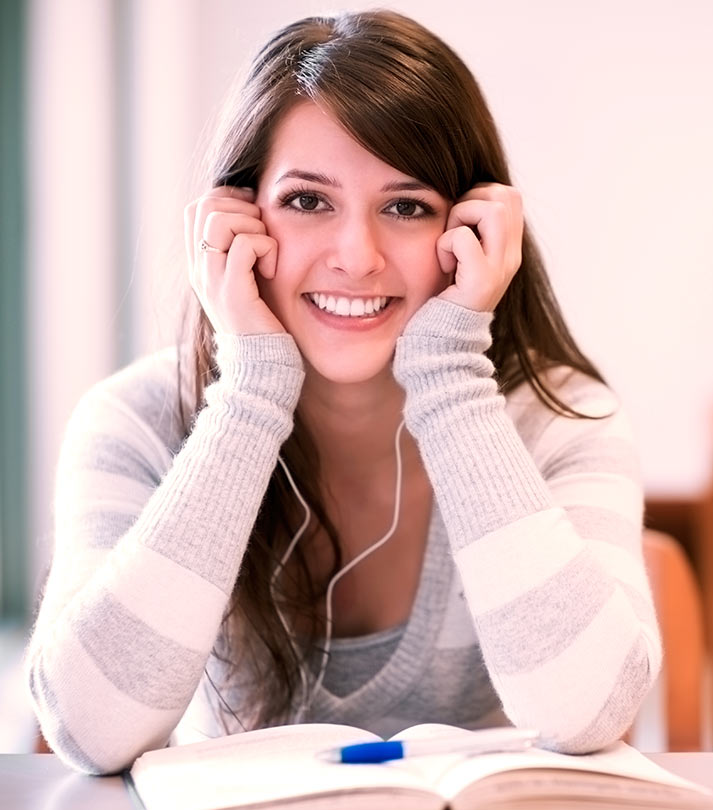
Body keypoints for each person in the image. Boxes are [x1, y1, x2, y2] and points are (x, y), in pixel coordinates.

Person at [25, 9, 661, 775]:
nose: (356, 257)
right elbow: (87, 732)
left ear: (474, 232)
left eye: (406, 206)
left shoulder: (564, 420)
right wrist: (250, 390)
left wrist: (451, 371)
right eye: (308, 201)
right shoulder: (137, 421)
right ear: (234, 220)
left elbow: (590, 713)